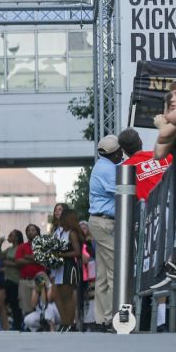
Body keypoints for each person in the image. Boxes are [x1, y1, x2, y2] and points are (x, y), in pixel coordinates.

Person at [87, 133, 124, 331]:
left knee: (102, 274)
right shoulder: (109, 170)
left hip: (99, 222)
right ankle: (112, 318)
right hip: (105, 222)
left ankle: (101, 319)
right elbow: (122, 191)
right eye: (120, 151)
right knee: (115, 269)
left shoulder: (103, 165)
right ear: (114, 153)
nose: (122, 154)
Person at [52, 208, 86, 331]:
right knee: (60, 296)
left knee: (67, 296)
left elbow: (77, 252)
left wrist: (61, 255)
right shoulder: (61, 233)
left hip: (69, 267)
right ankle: (65, 322)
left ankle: (70, 324)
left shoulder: (72, 233)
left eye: (62, 218)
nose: (59, 219)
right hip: (60, 268)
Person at [14, 224, 47, 324]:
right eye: (28, 230)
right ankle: (29, 325)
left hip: (40, 278)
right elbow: (18, 262)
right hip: (25, 280)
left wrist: (27, 257)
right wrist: (34, 259)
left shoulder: (43, 246)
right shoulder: (21, 247)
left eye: (33, 230)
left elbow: (44, 260)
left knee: (42, 303)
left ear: (38, 232)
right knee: (26, 305)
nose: (31, 232)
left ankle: (43, 323)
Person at [1, 229, 24, 331]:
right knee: (7, 302)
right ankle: (11, 323)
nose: (9, 237)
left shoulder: (20, 248)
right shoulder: (9, 249)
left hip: (16, 279)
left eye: (11, 235)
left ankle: (18, 324)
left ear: (17, 238)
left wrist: (9, 264)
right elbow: (0, 257)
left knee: (15, 303)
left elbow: (20, 263)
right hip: (8, 278)